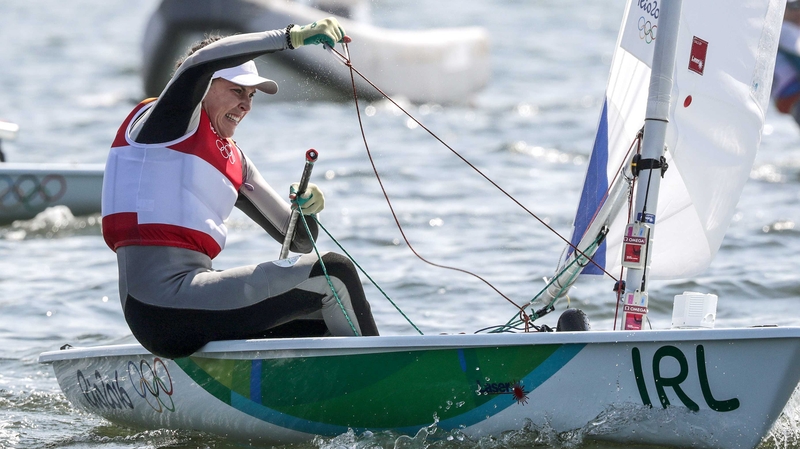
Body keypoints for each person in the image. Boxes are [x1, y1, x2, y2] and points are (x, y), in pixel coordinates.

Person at [101, 18, 379, 359]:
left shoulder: (236, 161)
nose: (246, 105)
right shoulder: (165, 123)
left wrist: (308, 211)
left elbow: (298, 240)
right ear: (204, 86)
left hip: (193, 303)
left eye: (251, 96)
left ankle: (332, 389)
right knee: (334, 273)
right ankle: (389, 377)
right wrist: (289, 37)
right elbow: (199, 63)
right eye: (237, 91)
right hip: (160, 305)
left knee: (323, 314)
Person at [773, 0, 800, 125]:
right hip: (792, 96)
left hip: (784, 101)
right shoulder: (786, 30)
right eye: (793, 6)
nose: (797, 11)